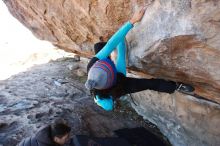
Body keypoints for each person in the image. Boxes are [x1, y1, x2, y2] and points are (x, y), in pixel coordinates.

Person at [85, 5, 194, 111]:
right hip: (119, 84)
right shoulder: (119, 83)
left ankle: (107, 54)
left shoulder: (92, 64)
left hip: (106, 79)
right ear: (113, 75)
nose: (112, 63)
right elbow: (121, 55)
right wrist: (116, 51)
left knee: (98, 46)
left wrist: (132, 21)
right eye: (111, 65)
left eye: (107, 62)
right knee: (149, 84)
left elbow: (110, 44)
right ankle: (176, 87)